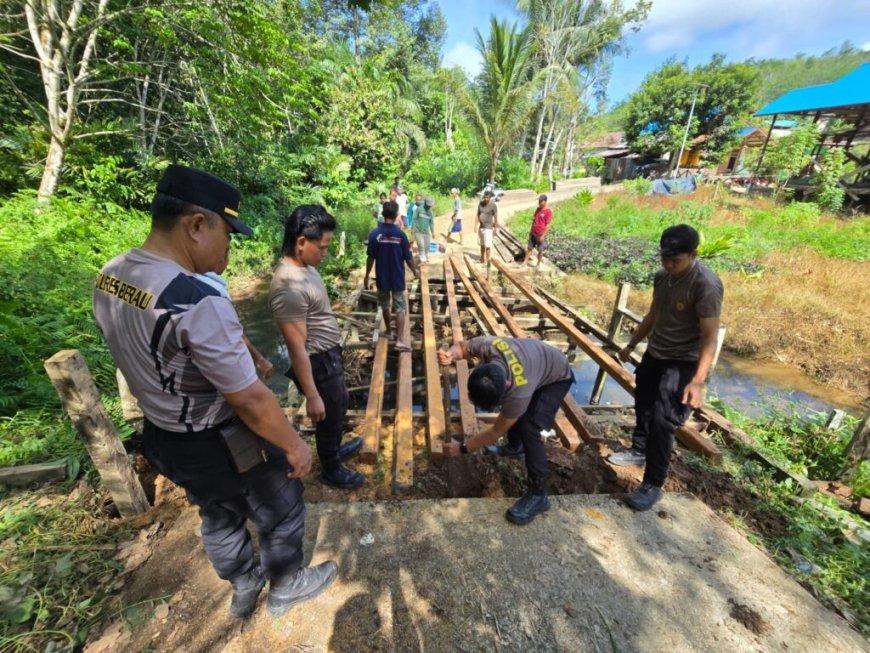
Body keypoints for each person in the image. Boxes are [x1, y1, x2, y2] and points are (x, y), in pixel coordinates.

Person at [92, 164, 336, 620]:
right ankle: (287, 585)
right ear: (196, 224)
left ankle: (245, 581)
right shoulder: (196, 298)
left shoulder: (112, 275)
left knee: (217, 511)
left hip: (163, 435)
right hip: (218, 436)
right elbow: (250, 399)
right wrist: (294, 445)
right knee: (281, 504)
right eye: (227, 232)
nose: (230, 244)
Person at [608, 224, 724, 511]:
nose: (669, 265)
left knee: (663, 419)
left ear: (693, 254)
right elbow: (653, 314)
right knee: (644, 403)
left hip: (683, 361)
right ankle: (638, 449)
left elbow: (710, 336)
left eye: (676, 260)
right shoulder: (663, 277)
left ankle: (653, 484)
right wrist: (631, 344)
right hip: (656, 353)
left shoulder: (705, 285)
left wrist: (697, 381)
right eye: (665, 259)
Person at [269, 205, 364, 491]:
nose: (325, 254)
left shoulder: (306, 267)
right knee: (328, 413)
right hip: (316, 360)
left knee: (338, 405)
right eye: (322, 248)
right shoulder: (288, 286)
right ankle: (331, 468)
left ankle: (333, 450)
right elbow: (296, 347)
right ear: (301, 242)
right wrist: (311, 395)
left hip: (329, 354)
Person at [439, 336, 573, 525]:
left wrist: (461, 448)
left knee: (529, 427)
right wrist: (451, 354)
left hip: (556, 375)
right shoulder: (488, 346)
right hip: (536, 363)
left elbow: (496, 431)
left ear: (507, 387)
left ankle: (538, 495)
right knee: (518, 416)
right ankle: (515, 447)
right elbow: (461, 347)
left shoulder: (518, 393)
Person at [196, 266, 274, 381]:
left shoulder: (201, 281)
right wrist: (259, 359)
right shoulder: (212, 291)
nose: (226, 260)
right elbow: (233, 332)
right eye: (226, 251)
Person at [364, 200, 419, 352]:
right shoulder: (400, 235)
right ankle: (400, 339)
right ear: (396, 216)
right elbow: (408, 258)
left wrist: (367, 275)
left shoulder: (375, 234)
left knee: (385, 305)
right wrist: (415, 271)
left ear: (382, 214)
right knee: (400, 307)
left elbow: (370, 258)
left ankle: (389, 332)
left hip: (382, 277)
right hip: (397, 277)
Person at [523, 194, 552, 268]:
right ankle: (525, 263)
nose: (539, 202)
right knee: (529, 248)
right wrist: (531, 230)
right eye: (539, 201)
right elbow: (534, 220)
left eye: (541, 201)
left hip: (540, 234)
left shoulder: (548, 212)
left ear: (545, 202)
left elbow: (547, 225)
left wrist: (543, 235)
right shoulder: (538, 209)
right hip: (534, 233)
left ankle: (538, 264)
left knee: (540, 250)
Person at [475, 189, 498, 264]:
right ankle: (482, 258)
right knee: (482, 244)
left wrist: (495, 229)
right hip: (481, 227)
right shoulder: (481, 204)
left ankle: (488, 261)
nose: (485, 199)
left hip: (488, 228)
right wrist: (475, 225)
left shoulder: (493, 205)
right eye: (484, 197)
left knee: (488, 245)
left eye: (487, 197)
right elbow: (477, 214)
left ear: (490, 197)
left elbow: (496, 217)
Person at [411, 196, 436, 264]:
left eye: (429, 205)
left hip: (426, 232)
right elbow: (414, 219)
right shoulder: (419, 209)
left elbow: (431, 223)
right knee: (421, 245)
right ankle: (423, 260)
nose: (428, 207)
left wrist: (433, 232)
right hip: (418, 231)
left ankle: (424, 257)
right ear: (424, 203)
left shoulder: (430, 213)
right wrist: (413, 229)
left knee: (427, 246)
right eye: (428, 205)